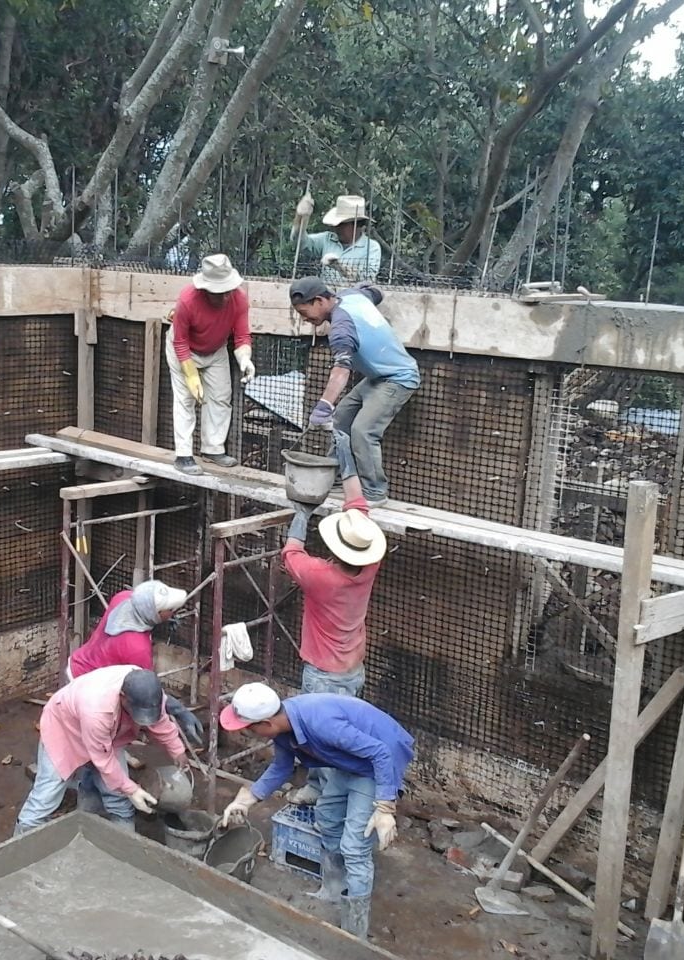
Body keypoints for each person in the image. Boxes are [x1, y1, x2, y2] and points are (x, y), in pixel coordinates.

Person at [219, 683, 414, 940]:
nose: (248, 734)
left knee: (355, 848)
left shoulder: (321, 723)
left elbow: (380, 752)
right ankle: (333, 892)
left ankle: (355, 933)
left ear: (266, 723)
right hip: (347, 761)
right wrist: (246, 800)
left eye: (249, 728)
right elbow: (281, 766)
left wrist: (385, 807)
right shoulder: (283, 728)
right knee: (327, 819)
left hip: (377, 763)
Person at [280, 437, 386, 805]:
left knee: (320, 734)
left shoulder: (321, 577)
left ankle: (325, 795)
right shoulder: (369, 565)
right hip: (352, 668)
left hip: (323, 672)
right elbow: (359, 506)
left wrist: (302, 512)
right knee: (342, 731)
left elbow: (291, 550)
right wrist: (348, 465)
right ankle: (324, 786)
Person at [289, 276, 420, 506]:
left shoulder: (340, 329)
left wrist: (324, 406)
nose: (305, 319)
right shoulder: (352, 295)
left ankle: (374, 493)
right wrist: (366, 289)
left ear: (319, 300)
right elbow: (375, 292)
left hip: (398, 378)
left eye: (304, 312)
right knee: (341, 419)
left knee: (363, 431)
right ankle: (336, 477)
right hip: (376, 377)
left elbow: (341, 371)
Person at [14, 665, 188, 834]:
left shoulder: (147, 690)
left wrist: (177, 749)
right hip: (64, 729)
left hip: (108, 734)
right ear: (123, 697)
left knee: (118, 794)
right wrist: (132, 790)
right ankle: (20, 845)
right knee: (46, 797)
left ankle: (109, 833)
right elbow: (103, 761)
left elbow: (159, 720)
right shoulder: (97, 708)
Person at [68, 579, 204, 745]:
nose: (173, 612)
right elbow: (147, 691)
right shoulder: (136, 647)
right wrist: (180, 711)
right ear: (155, 615)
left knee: (84, 740)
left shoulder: (124, 598)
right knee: (93, 745)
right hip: (88, 688)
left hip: (78, 665)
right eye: (169, 610)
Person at [166, 252, 255, 476]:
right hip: (185, 350)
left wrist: (245, 359)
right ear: (205, 288)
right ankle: (184, 454)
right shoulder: (187, 299)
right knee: (186, 399)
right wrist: (191, 374)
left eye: (227, 290)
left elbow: (242, 336)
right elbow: (179, 341)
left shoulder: (239, 298)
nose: (224, 297)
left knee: (220, 396)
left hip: (216, 350)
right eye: (218, 292)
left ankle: (213, 448)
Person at [291, 192, 381, 287]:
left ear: (358, 225)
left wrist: (340, 266)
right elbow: (300, 244)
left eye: (342, 225)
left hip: (355, 298)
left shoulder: (371, 248)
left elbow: (368, 278)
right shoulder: (327, 239)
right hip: (326, 298)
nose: (337, 228)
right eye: (336, 224)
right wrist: (301, 219)